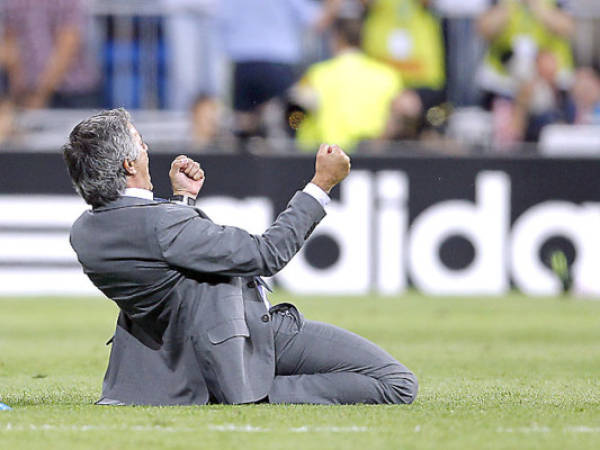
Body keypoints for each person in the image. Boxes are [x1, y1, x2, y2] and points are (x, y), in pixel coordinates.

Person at [63, 108, 418, 406]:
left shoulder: (85, 233)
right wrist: (320, 186)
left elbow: (163, 265)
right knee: (398, 384)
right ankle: (255, 392)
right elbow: (266, 254)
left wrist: (183, 200)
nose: (147, 148)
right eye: (140, 143)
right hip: (241, 340)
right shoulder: (163, 223)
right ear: (128, 164)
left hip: (181, 355)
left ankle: (233, 385)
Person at [218, 0, 342, 141]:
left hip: (244, 65)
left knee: (243, 128)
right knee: (287, 125)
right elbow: (318, 20)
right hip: (278, 65)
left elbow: (218, 20)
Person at [292, 17, 416, 152]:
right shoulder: (388, 75)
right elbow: (407, 109)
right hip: (371, 154)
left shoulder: (317, 74)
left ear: (337, 38)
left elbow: (296, 107)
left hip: (325, 154)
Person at [0, 0, 99, 109]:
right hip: (28, 91)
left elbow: (67, 48)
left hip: (73, 92)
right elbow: (10, 42)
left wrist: (41, 94)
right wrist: (18, 89)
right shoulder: (13, 3)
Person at [476, 0, 574, 108]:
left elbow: (568, 27)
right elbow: (483, 28)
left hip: (550, 83)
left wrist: (539, 8)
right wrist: (508, 8)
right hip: (502, 83)